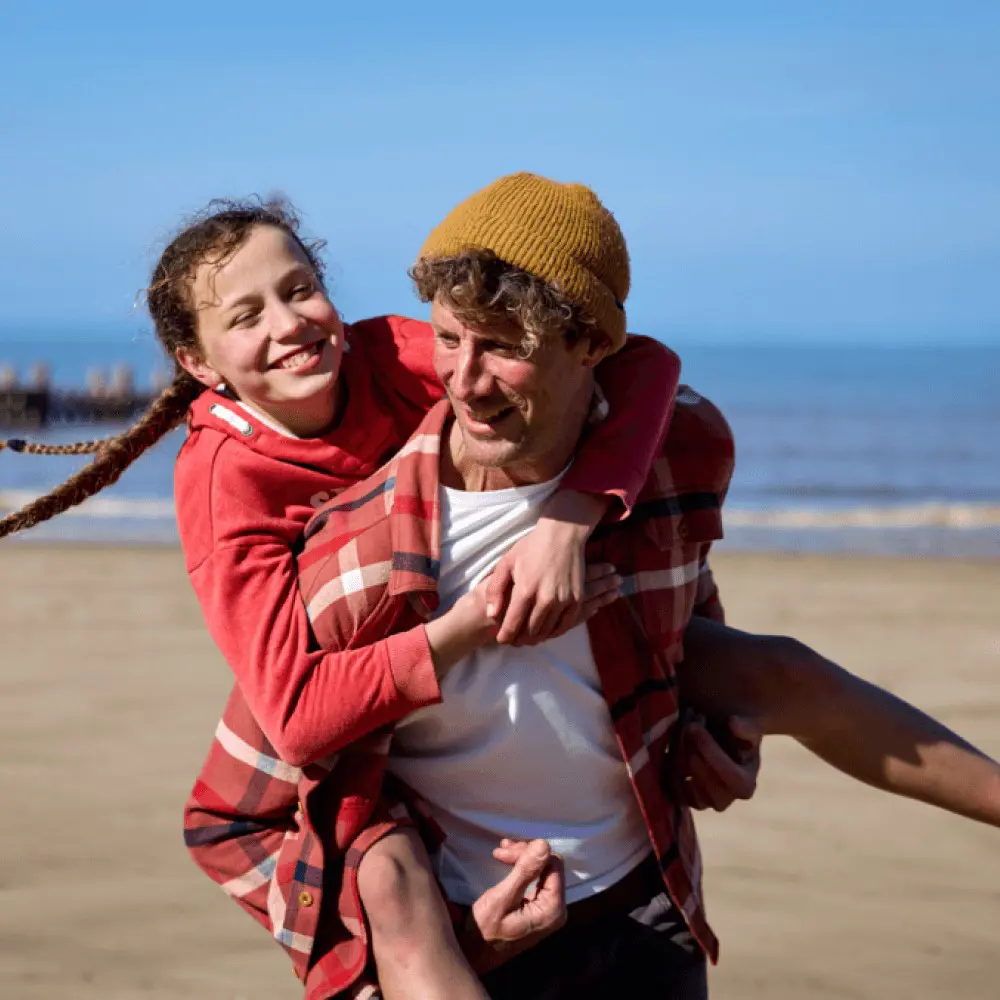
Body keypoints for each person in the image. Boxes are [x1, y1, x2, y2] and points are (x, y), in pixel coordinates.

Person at [188, 172, 1000, 1000]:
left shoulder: (679, 450)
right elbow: (236, 806)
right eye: (449, 340)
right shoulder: (352, 560)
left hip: (650, 903)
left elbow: (685, 603)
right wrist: (442, 941)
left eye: (503, 346)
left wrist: (713, 728)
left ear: (591, 345)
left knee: (783, 667)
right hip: (483, 944)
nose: (462, 382)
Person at [0, 198, 754, 999]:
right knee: (394, 894)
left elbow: (642, 369)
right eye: (246, 315)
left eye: (300, 288)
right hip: (344, 765)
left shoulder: (390, 353)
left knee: (780, 675)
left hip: (506, 745)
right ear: (198, 363)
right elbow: (294, 716)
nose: (289, 323)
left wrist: (572, 520)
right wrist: (467, 630)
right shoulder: (226, 483)